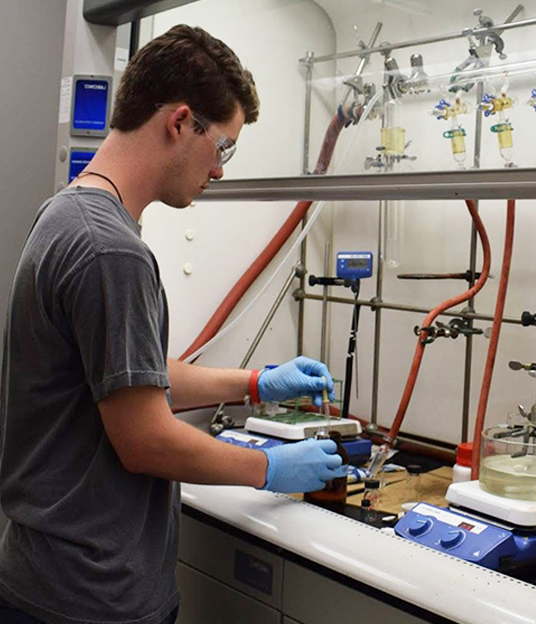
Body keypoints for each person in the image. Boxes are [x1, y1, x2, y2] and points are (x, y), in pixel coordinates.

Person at [0, 24, 344, 624]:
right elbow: (146, 440)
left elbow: (130, 375)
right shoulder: (112, 252)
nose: (220, 170)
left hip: (47, 576)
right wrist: (269, 469)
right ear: (181, 122)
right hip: (90, 595)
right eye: (225, 147)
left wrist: (255, 382)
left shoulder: (66, 215)